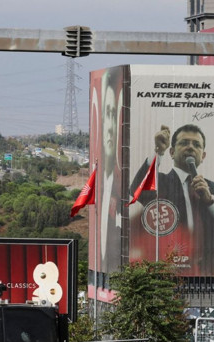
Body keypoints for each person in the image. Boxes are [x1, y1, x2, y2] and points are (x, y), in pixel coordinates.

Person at [130, 123, 214, 275]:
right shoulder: (161, 182)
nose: (190, 147)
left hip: (209, 276)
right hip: (170, 273)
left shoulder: (213, 188)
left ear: (203, 156)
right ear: (171, 152)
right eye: (184, 143)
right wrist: (158, 152)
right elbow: (137, 189)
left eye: (197, 145)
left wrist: (210, 201)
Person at [98, 67, 123, 274]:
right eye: (107, 114)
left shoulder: (124, 185)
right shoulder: (99, 184)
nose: (109, 125)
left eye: (113, 114)